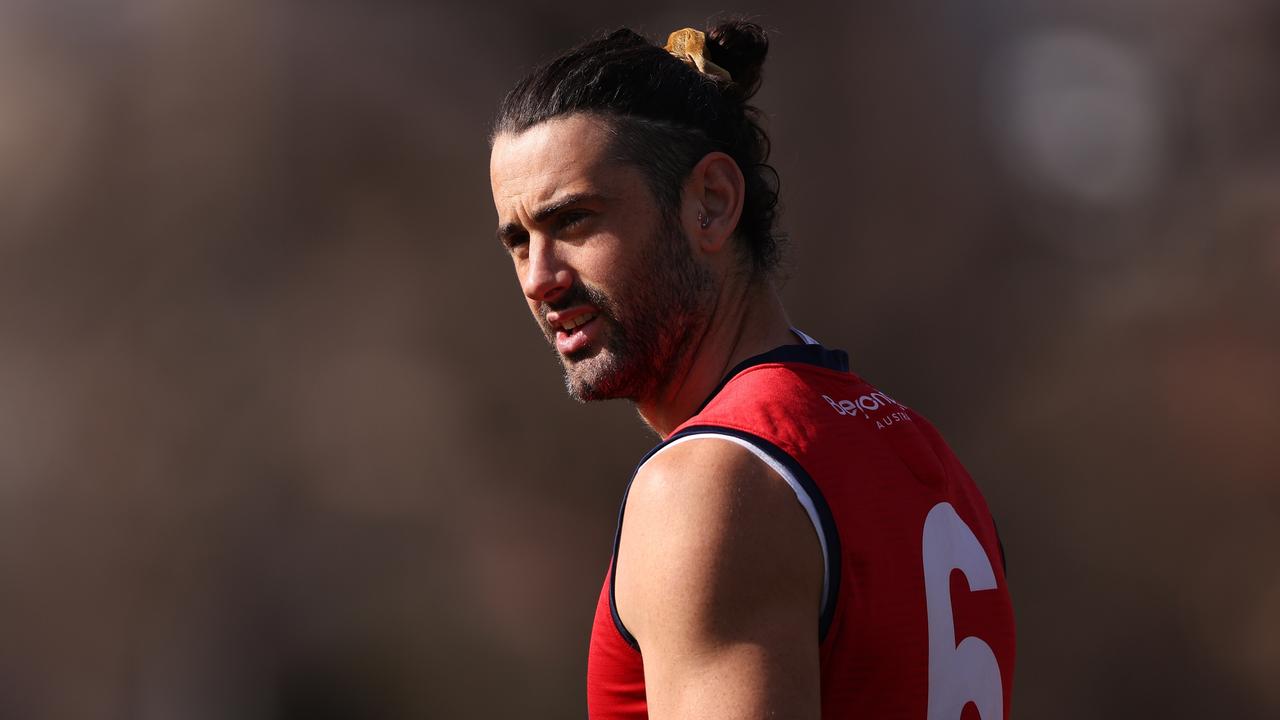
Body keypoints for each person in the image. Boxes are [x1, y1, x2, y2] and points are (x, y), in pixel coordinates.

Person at [488, 20, 1015, 719]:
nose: (539, 278)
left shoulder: (710, 486)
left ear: (711, 203)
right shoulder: (919, 450)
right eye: (519, 241)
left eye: (575, 221)